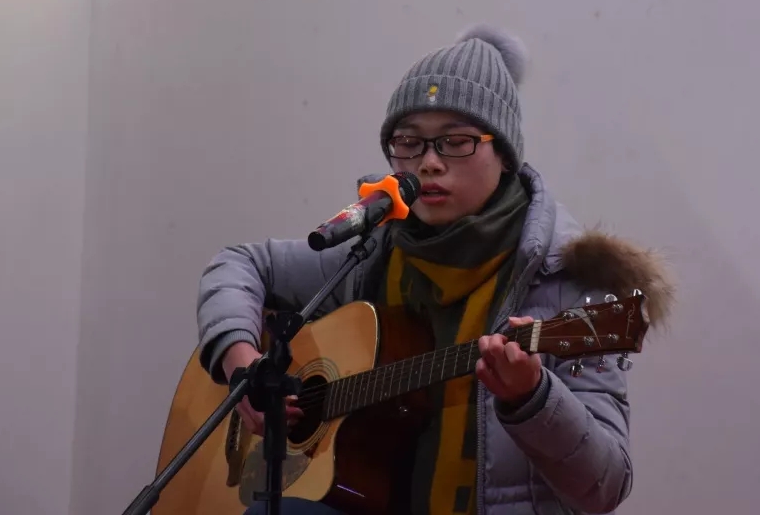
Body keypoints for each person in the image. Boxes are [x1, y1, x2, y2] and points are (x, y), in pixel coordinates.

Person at [196, 26, 672, 514]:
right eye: (409, 141)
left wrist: (533, 398)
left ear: (505, 155)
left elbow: (604, 488)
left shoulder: (571, 284)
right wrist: (243, 367)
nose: (428, 163)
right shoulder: (374, 253)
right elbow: (239, 263)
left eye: (456, 141)